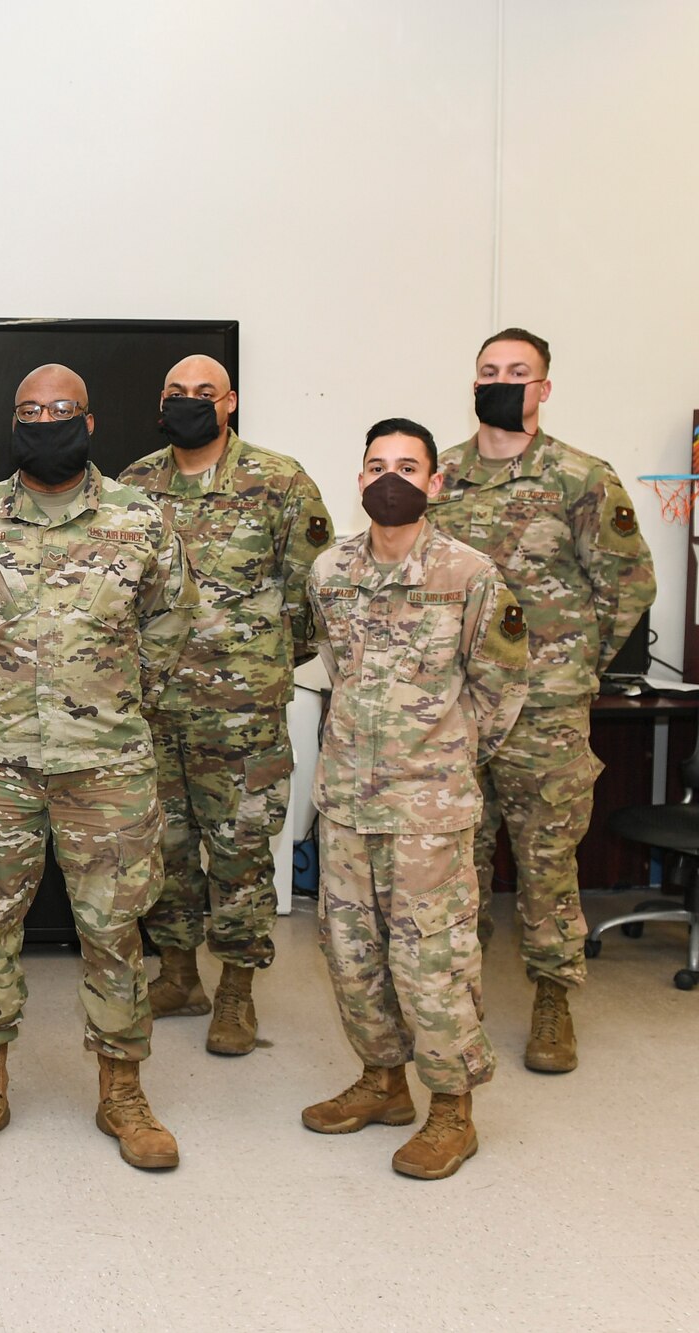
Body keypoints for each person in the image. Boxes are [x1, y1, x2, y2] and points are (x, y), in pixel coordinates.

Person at [0, 364, 192, 1169]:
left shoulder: (141, 521)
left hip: (106, 764)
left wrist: (112, 703)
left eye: (61, 410)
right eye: (30, 410)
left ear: (90, 422)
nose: (45, 421)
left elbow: (172, 629)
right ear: (13, 422)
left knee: (114, 928)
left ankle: (123, 1092)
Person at [426, 328, 655, 1074]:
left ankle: (552, 999)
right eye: (488, 370)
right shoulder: (442, 475)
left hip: (545, 709)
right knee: (457, 861)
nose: (501, 381)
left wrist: (573, 666)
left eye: (517, 372)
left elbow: (628, 582)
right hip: (458, 708)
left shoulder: (580, 477)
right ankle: (461, 1003)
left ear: (544, 389)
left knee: (546, 861)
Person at [303, 418, 527, 1180]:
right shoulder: (328, 571)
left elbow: (500, 690)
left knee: (433, 961)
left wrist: (442, 763)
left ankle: (452, 1109)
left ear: (435, 482)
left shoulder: (470, 575)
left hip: (427, 813)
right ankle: (382, 1081)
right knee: (351, 954)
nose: (389, 477)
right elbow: (335, 666)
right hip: (344, 804)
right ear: (358, 479)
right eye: (376, 464)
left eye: (407, 465)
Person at [121, 355, 332, 1055]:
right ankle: (179, 974)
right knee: (165, 851)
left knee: (241, 854)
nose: (188, 402)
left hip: (243, 715)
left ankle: (237, 991)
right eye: (175, 392)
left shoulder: (279, 482)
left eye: (202, 393)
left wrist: (262, 661)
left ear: (230, 402)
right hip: (152, 713)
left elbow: (316, 593)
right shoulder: (134, 486)